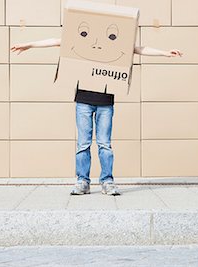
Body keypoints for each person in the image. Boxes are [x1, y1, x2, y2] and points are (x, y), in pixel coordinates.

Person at [10, 38, 182, 196]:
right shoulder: (83, 43)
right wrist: (30, 45)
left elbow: (138, 49)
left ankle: (107, 182)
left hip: (105, 102)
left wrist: (165, 53)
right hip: (84, 101)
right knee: (83, 144)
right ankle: (83, 182)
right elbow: (57, 41)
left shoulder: (113, 45)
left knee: (104, 144)